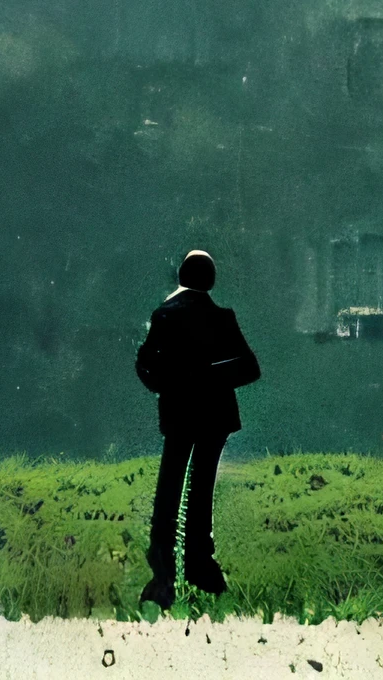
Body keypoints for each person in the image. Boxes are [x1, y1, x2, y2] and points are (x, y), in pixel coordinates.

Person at [132, 247, 258, 606]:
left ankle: (163, 573)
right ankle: (200, 566)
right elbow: (250, 368)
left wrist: (172, 385)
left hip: (178, 412)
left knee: (169, 489)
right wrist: (212, 377)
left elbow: (144, 366)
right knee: (201, 490)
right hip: (216, 414)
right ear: (210, 280)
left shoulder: (165, 316)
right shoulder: (223, 317)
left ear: (182, 277)